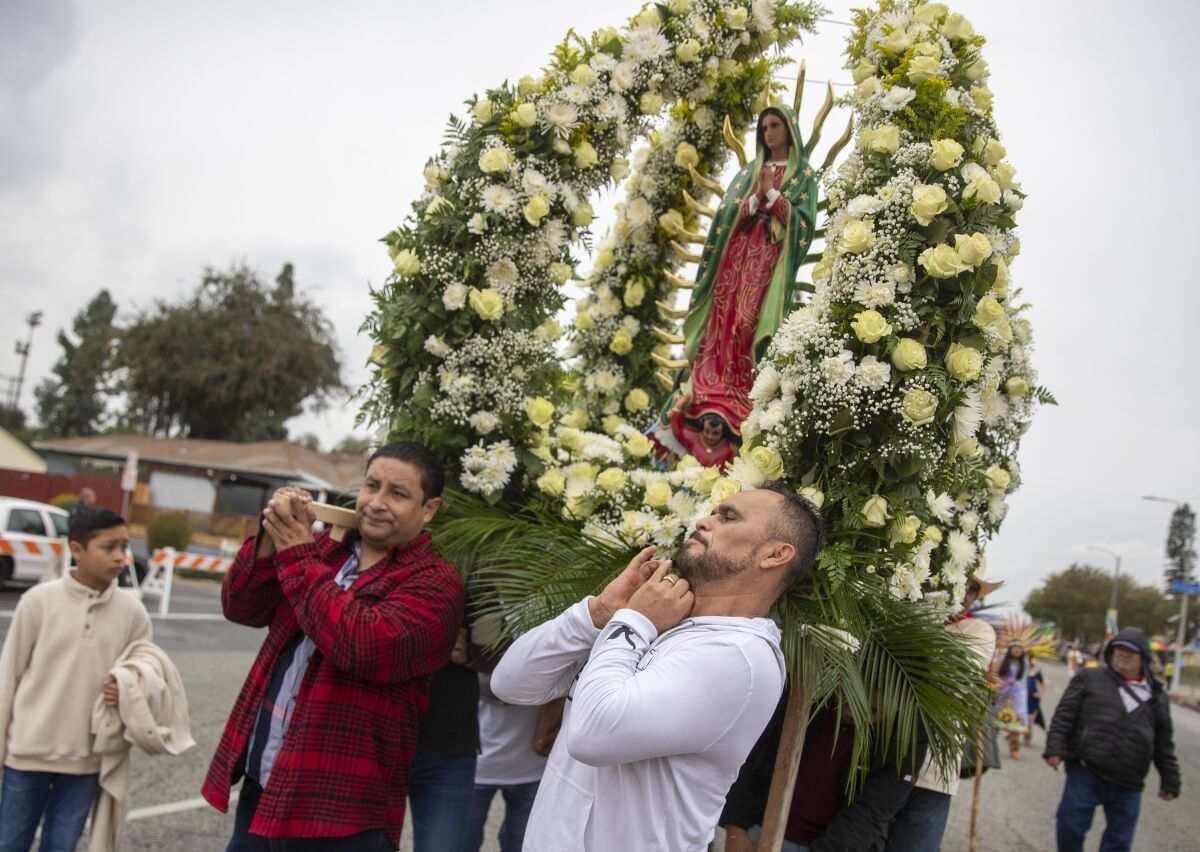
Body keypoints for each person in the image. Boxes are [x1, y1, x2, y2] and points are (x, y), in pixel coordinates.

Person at [491, 482, 825, 851]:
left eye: (727, 517)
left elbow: (591, 735)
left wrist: (633, 621)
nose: (703, 521)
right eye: (712, 511)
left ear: (775, 554)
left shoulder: (740, 657)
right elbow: (511, 684)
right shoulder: (659, 618)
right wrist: (597, 613)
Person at [202, 442, 464, 851]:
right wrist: (272, 539)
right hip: (265, 783)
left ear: (428, 509)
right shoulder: (323, 549)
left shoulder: (436, 584)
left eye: (397, 494)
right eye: (371, 486)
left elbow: (363, 645)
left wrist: (297, 553)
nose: (376, 503)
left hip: (343, 812)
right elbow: (241, 607)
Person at [659, 106, 819, 460]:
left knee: (748, 321)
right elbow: (726, 215)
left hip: (768, 262)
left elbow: (804, 227)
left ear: (790, 130)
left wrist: (775, 199)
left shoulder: (803, 175)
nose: (769, 132)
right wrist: (753, 200)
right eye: (764, 127)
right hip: (736, 257)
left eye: (776, 125)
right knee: (725, 321)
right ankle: (710, 387)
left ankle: (744, 392)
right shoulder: (749, 172)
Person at [0, 508, 152, 852]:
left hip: (87, 757)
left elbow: (148, 672)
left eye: (124, 546)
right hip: (26, 753)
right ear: (77, 549)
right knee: (9, 843)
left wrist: (128, 684)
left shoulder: (134, 614)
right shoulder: (38, 601)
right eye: (108, 546)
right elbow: (8, 676)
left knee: (61, 845)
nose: (120, 557)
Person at [722, 693, 927, 852]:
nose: (850, 713)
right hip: (758, 832)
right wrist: (735, 827)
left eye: (871, 710)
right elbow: (753, 753)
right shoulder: (805, 688)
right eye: (845, 699)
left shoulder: (907, 735)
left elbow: (872, 812)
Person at [888, 565, 1000, 852]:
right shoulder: (906, 611)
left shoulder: (979, 630)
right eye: (962, 582)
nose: (966, 593)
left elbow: (954, 682)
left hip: (932, 770)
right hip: (884, 757)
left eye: (973, 588)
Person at [1044, 627, 1180, 852]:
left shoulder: (1156, 696)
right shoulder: (1090, 677)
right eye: (1120, 649)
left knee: (1119, 842)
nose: (1124, 654)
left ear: (1143, 658)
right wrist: (1055, 748)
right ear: (1111, 652)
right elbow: (1064, 715)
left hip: (1129, 782)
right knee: (1069, 826)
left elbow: (1164, 743)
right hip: (1086, 771)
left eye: (1132, 652)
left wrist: (1170, 779)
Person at [408, 631, 480, 852]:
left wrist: (469, 656)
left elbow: (501, 658)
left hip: (449, 743)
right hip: (374, 739)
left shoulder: (476, 595)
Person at [992, 641, 1030, 759]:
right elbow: (994, 676)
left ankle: (1014, 749)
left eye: (1019, 648)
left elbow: (1024, 681)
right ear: (1010, 649)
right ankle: (990, 749)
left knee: (1016, 722)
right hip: (1002, 695)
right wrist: (1001, 686)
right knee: (996, 722)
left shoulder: (1025, 662)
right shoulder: (1002, 660)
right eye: (1015, 647)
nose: (1017, 650)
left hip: (1018, 697)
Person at [1025, 661, 1046, 746]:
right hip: (1021, 696)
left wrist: (1040, 693)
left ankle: (1027, 738)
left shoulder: (1036, 670)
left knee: (1030, 720)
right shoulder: (1019, 666)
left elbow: (1043, 683)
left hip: (1032, 698)